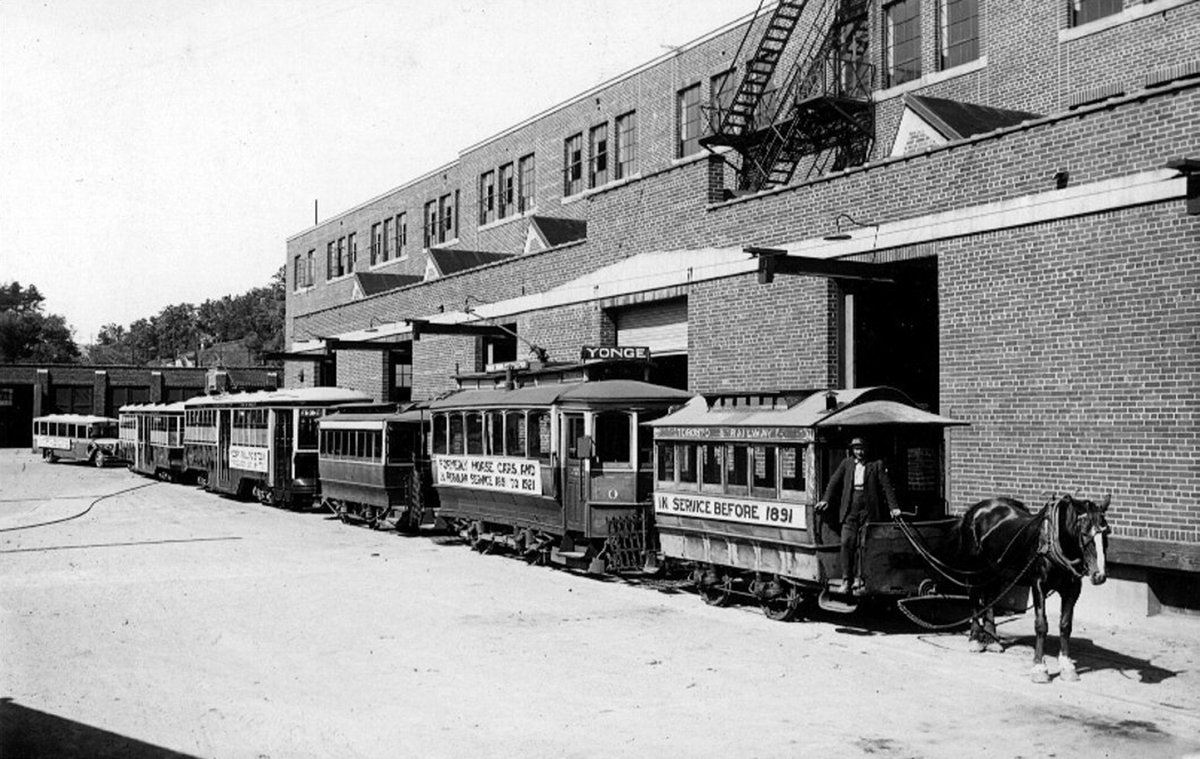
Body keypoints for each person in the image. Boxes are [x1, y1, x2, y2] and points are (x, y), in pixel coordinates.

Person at [815, 437, 902, 594]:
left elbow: (886, 487)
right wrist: (825, 500)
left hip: (869, 511)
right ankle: (846, 580)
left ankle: (862, 579)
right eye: (856, 449)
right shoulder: (846, 464)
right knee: (847, 542)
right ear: (852, 450)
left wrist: (894, 507)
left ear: (866, 449)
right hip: (850, 510)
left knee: (865, 546)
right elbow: (834, 481)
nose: (859, 452)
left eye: (862, 449)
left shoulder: (876, 465)